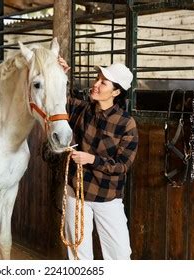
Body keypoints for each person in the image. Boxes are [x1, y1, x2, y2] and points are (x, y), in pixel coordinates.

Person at [58, 59, 139, 260]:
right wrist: (61, 75)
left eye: (103, 82)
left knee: (119, 255)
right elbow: (57, 98)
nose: (95, 84)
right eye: (97, 79)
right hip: (76, 193)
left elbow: (123, 165)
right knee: (78, 254)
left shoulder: (126, 123)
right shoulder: (81, 109)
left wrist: (92, 159)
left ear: (116, 92)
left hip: (107, 197)